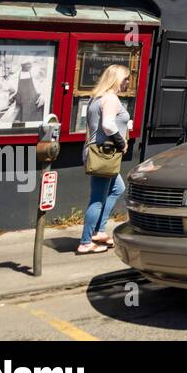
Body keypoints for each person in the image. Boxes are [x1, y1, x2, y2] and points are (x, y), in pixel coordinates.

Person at [77, 64, 131, 255]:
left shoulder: (96, 97)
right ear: (116, 79)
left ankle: (99, 232)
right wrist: (121, 142)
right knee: (97, 199)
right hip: (104, 154)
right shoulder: (110, 98)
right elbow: (108, 125)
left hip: (95, 151)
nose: (127, 83)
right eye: (125, 79)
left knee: (118, 188)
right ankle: (85, 242)